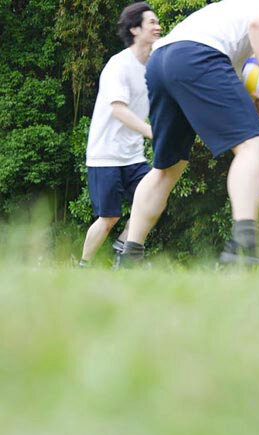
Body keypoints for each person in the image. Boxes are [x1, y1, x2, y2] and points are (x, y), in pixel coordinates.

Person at [118, 0, 259, 267]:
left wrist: (254, 104)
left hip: (162, 61)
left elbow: (227, 87)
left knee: (167, 168)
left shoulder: (236, 18)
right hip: (198, 56)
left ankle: (129, 255)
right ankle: (245, 244)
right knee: (255, 147)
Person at [79, 2, 161, 267]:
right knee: (109, 218)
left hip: (133, 155)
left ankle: (123, 246)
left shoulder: (154, 65)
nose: (158, 27)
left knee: (154, 200)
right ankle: (83, 266)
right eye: (152, 22)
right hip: (106, 154)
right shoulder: (119, 65)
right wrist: (151, 132)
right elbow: (118, 110)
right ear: (135, 29)